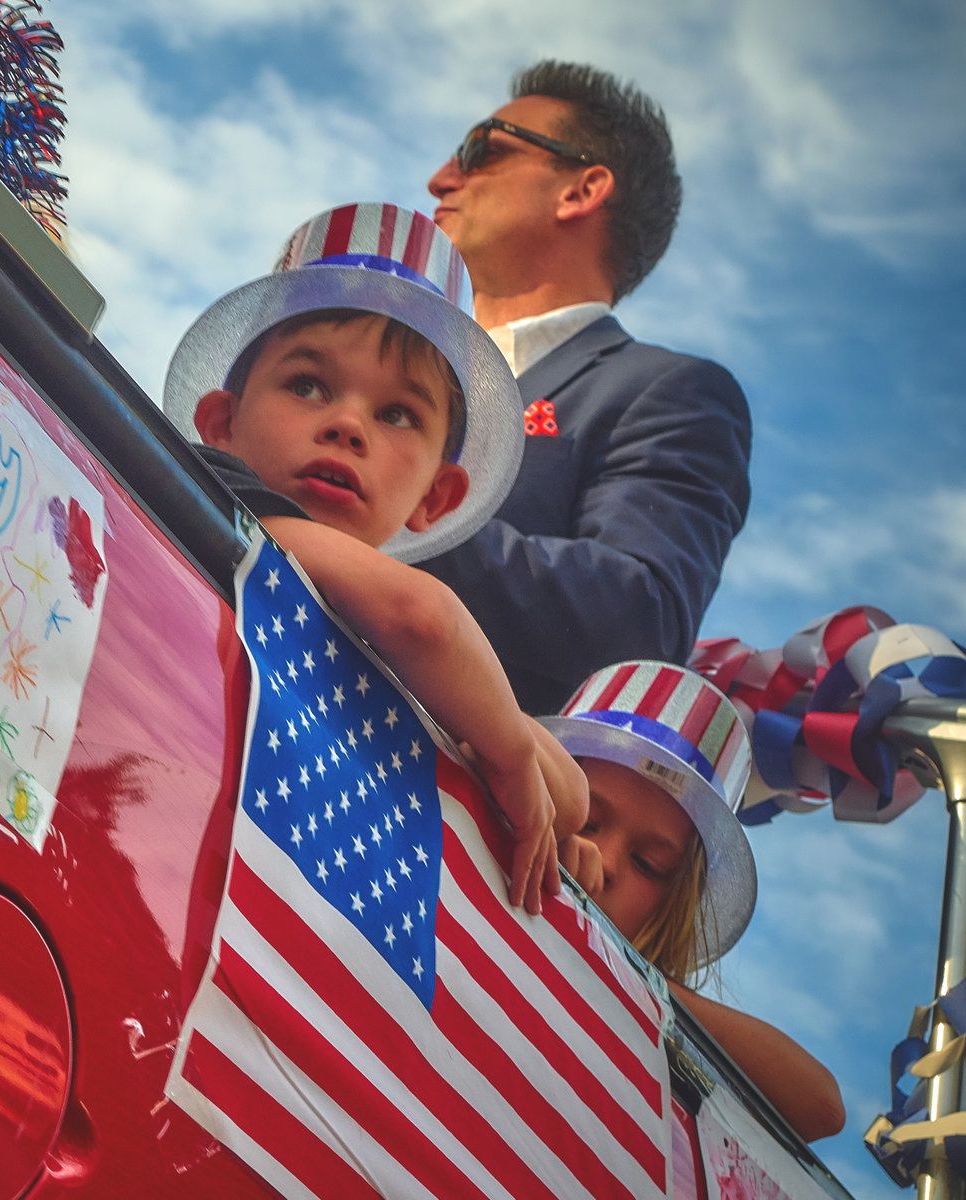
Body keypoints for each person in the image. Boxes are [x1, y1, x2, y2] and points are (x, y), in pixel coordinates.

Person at [163, 201, 587, 915]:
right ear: (221, 425)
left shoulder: (369, 617)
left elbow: (572, 794)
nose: (347, 424)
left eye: (397, 415)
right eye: (308, 385)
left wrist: (517, 752)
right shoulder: (218, 491)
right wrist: (509, 756)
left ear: (437, 497)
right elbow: (425, 619)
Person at [422, 61, 752, 714]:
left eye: (481, 150)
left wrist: (392, 505)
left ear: (581, 190)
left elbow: (640, 616)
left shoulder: (664, 392)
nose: (441, 178)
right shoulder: (384, 356)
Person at [541, 660, 846, 1141]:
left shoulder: (655, 1011)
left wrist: (624, 970)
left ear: (673, 907)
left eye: (649, 864)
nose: (607, 859)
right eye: (586, 819)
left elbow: (821, 1107)